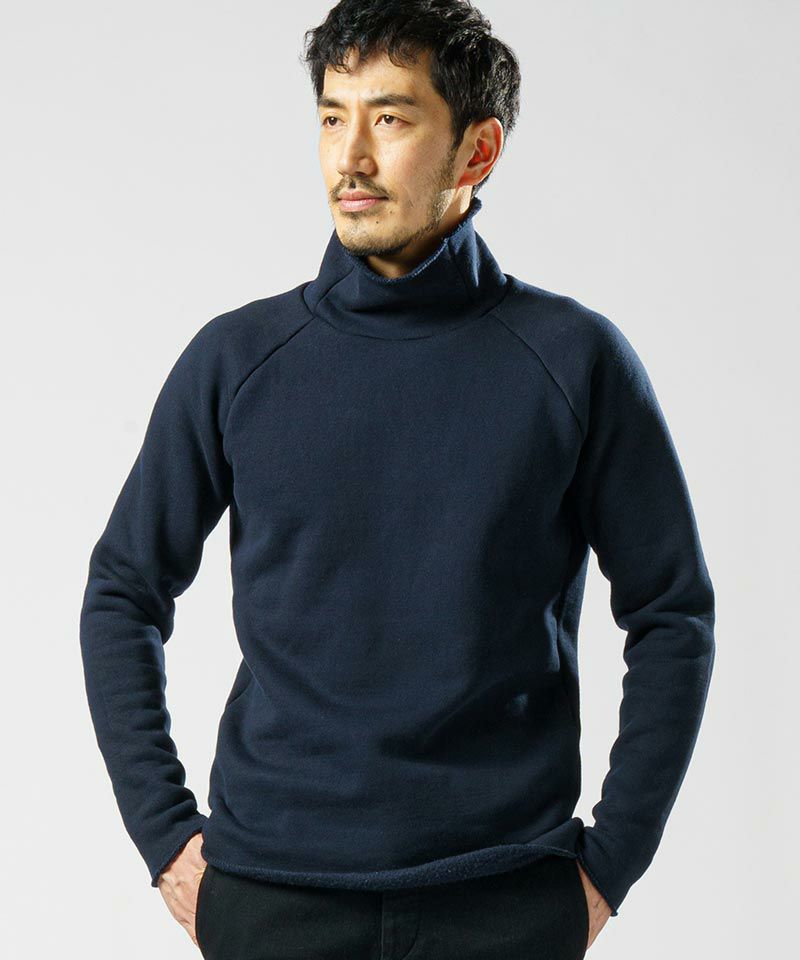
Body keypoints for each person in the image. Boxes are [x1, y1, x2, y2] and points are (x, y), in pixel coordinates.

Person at [79, 1, 716, 957]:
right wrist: (165, 837)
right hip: (271, 902)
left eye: (390, 118)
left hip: (503, 902)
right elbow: (123, 591)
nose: (352, 157)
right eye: (333, 117)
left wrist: (611, 861)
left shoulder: (572, 361)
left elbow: (673, 612)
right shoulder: (237, 360)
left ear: (477, 150)